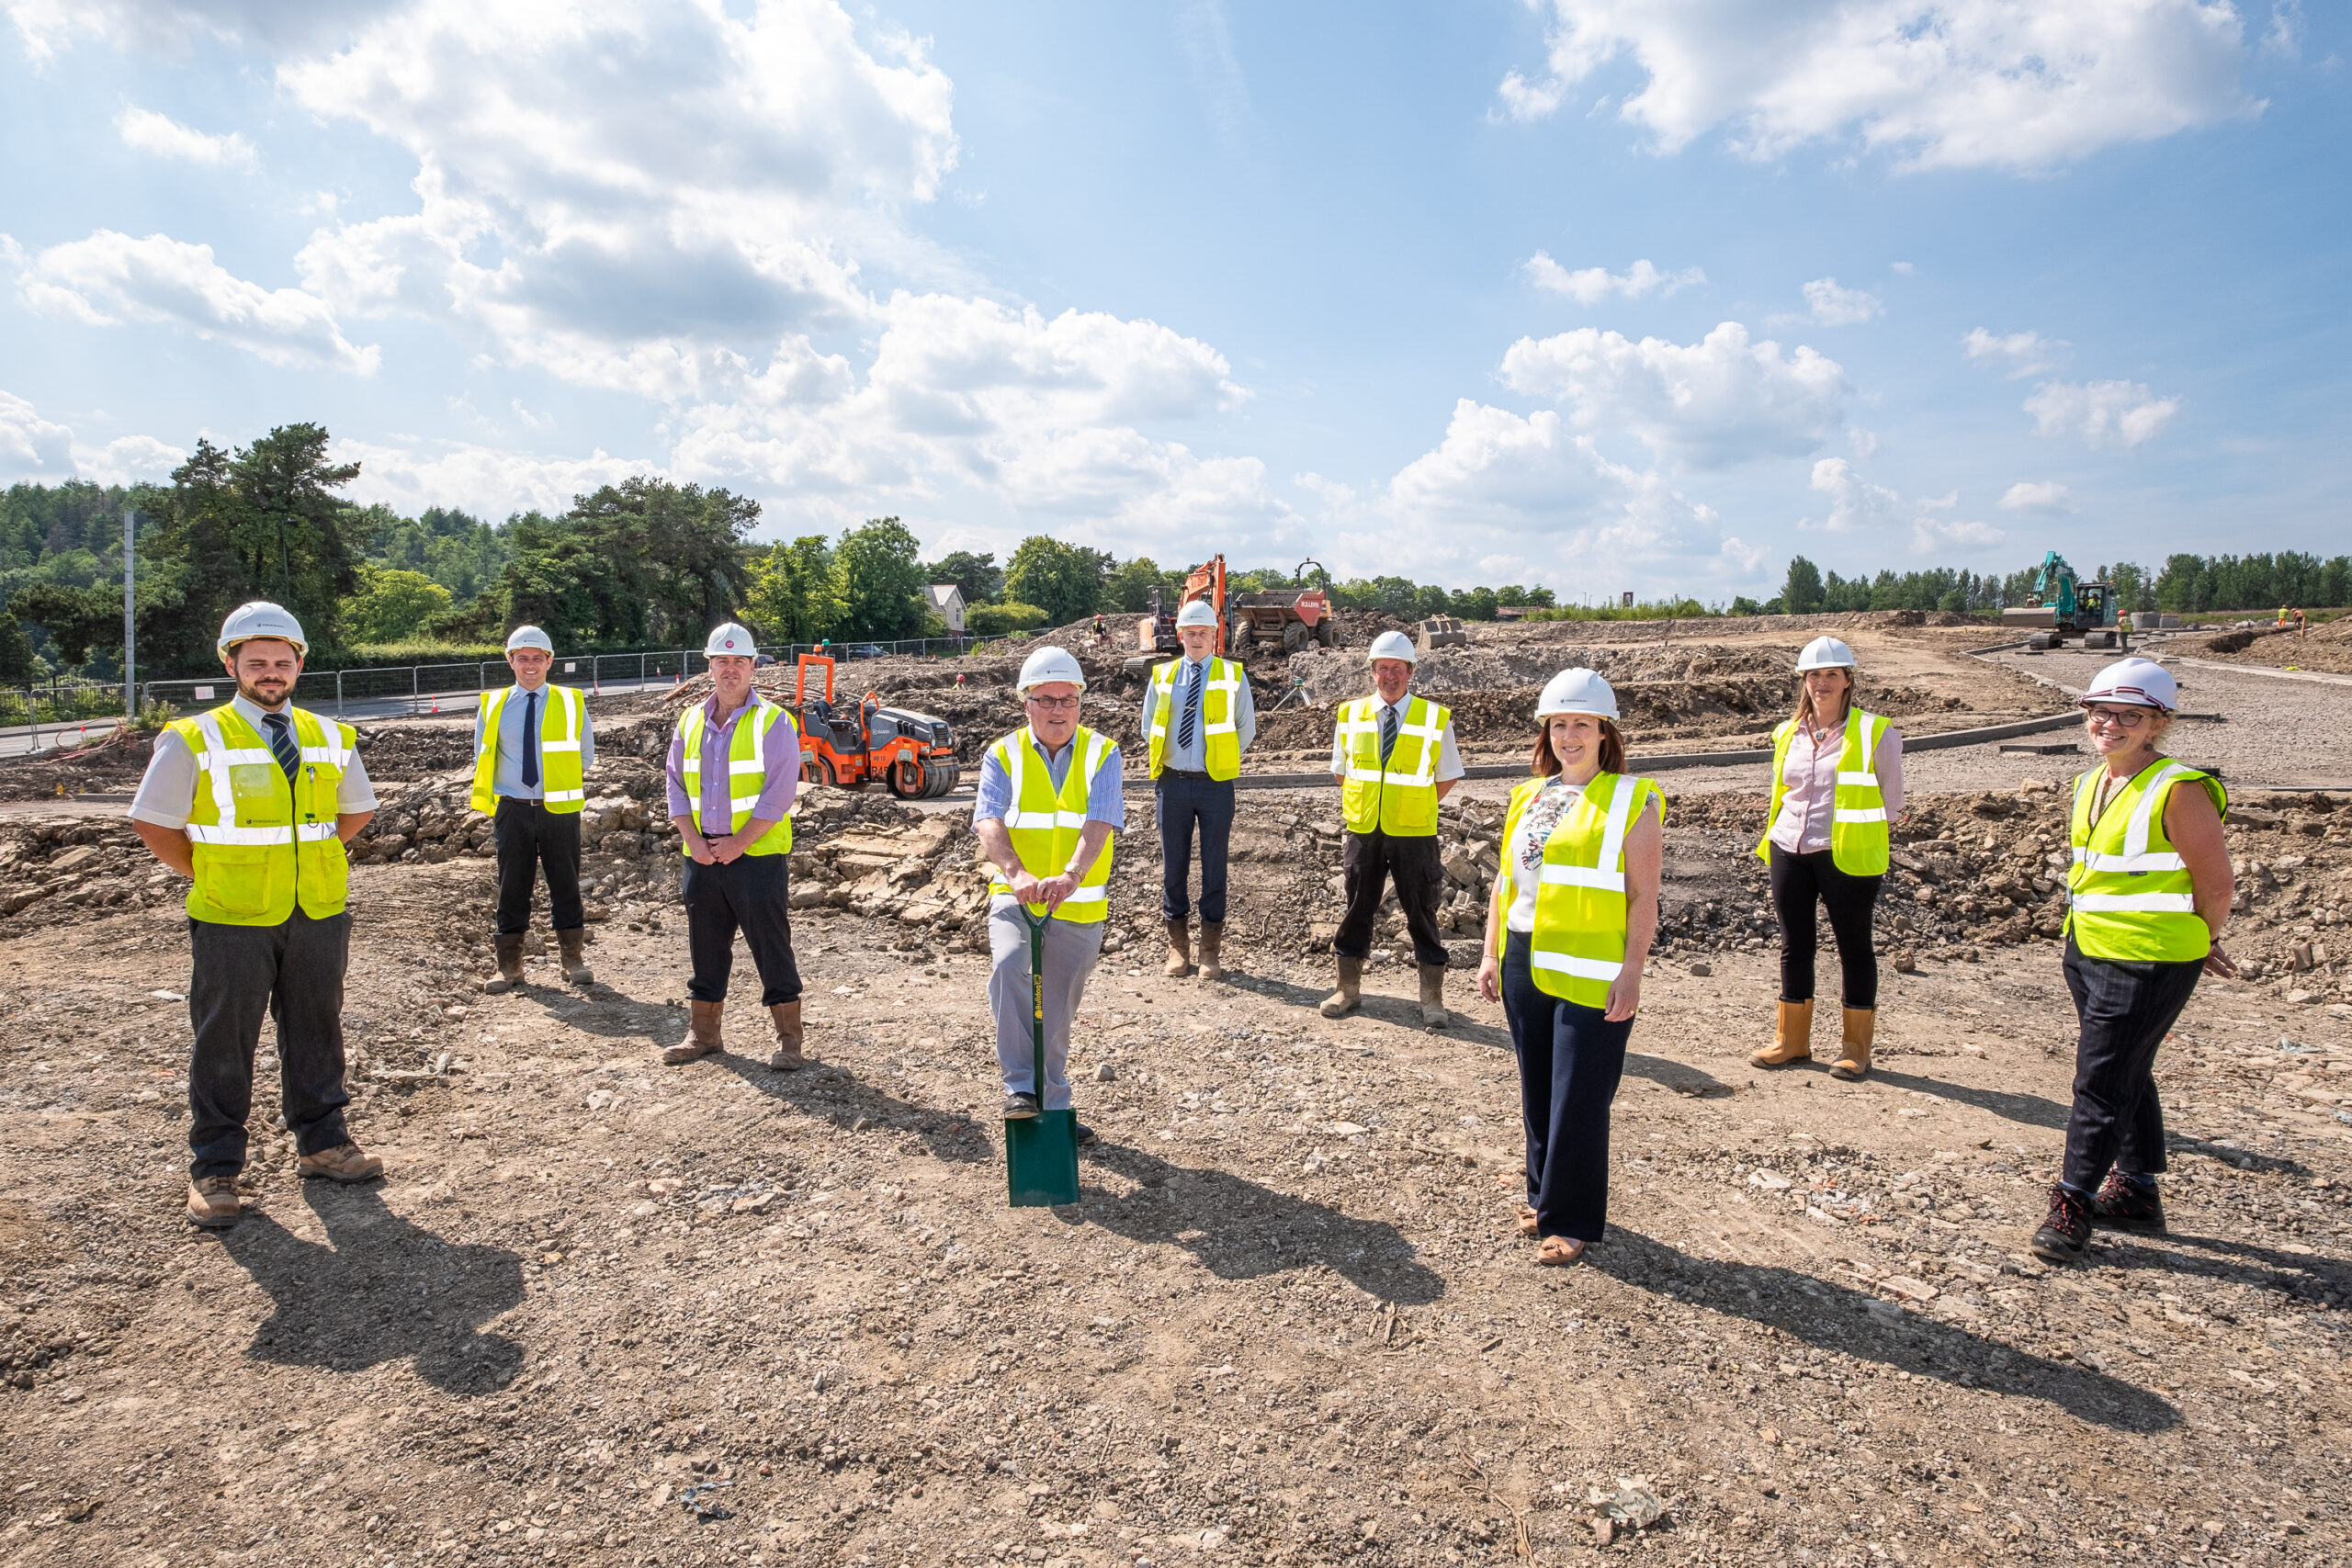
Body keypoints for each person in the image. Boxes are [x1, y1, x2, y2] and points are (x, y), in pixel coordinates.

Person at [127, 603, 383, 1229]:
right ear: (230, 664)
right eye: (257, 662)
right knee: (224, 1039)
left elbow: (356, 813)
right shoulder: (195, 736)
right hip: (231, 915)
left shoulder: (328, 734)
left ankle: (324, 1143)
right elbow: (153, 820)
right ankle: (214, 1169)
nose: (271, 672)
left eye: (282, 661)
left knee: (317, 1026)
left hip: (317, 908)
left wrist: (305, 863)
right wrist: (207, 872)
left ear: (299, 664)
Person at [2030, 658, 2235, 1264]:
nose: (2110, 724)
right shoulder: (2092, 783)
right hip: (2090, 948)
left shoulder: (2179, 788)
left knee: (2100, 1079)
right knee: (2127, 1066)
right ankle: (2139, 1187)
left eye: (2129, 715)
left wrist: (2203, 938)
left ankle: (2072, 1203)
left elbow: (2216, 884)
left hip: (2148, 959)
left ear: (2157, 723)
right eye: (2100, 711)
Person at [1474, 670, 1663, 1267]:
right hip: (1525, 958)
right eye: (1560, 723)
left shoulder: (1634, 800)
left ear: (1605, 732)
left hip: (1592, 966)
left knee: (1580, 1095)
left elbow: (1643, 896)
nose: (1570, 735)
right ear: (1546, 731)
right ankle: (1542, 1196)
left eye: (1582, 723)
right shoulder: (1529, 796)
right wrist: (1489, 952)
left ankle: (1573, 1220)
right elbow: (1506, 880)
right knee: (1537, 1088)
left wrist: (1632, 970)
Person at [973, 646, 1122, 1135]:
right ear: (1026, 703)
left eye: (1068, 699)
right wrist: (1016, 874)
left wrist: (1073, 875)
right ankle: (1021, 1088)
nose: (1059, 709)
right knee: (1010, 966)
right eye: (1047, 699)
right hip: (1016, 895)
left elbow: (1100, 822)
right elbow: (989, 821)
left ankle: (1052, 1106)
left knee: (1055, 1011)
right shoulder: (1003, 754)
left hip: (1079, 900)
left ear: (1079, 701)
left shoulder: (1103, 752)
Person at [1749, 636, 1905, 1081]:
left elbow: (1891, 805)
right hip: (1789, 849)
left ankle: (1856, 1048)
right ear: (1804, 680)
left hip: (1846, 856)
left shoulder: (1877, 732)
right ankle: (1792, 1042)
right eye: (1814, 675)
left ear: (1848, 680)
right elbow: (1784, 790)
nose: (1821, 682)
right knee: (1794, 946)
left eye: (1831, 674)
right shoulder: (1786, 732)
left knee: (1854, 948)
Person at [662, 622, 808, 1069]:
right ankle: (703, 1034)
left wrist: (738, 843)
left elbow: (779, 794)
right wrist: (694, 841)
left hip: (757, 858)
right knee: (705, 946)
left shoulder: (773, 721)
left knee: (770, 944)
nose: (730, 670)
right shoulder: (689, 720)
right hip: (701, 857)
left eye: (739, 662)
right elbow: (675, 787)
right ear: (709, 667)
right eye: (722, 661)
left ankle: (789, 1040)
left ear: (752, 667)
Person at [1322, 629, 1464, 1026]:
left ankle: (1432, 998)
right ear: (1372, 672)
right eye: (1382, 668)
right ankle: (1347, 990)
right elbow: (1342, 771)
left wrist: (1413, 805)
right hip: (1364, 829)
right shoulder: (1350, 714)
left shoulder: (1435, 718)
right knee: (1356, 907)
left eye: (1397, 668)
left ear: (1411, 671)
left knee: (1422, 910)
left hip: (1414, 833)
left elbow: (1448, 775)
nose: (1389, 675)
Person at [472, 624, 595, 993]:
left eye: (537, 658)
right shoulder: (492, 705)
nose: (530, 665)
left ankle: (573, 960)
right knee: (512, 886)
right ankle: (508, 967)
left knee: (566, 884)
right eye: (522, 658)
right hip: (512, 809)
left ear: (549, 661)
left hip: (558, 808)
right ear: (510, 660)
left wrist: (553, 783)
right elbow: (483, 754)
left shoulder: (571, 702)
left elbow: (586, 755)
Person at [1143, 599, 1257, 979]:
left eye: (1202, 633)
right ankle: (1177, 948)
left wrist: (1218, 761)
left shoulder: (1232, 675)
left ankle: (1210, 950)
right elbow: (1148, 727)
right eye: (1189, 633)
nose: (1195, 639)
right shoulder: (1162, 676)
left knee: (1214, 868)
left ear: (1215, 635)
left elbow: (1246, 728)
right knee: (1173, 868)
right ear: (1180, 635)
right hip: (1171, 784)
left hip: (1215, 786)